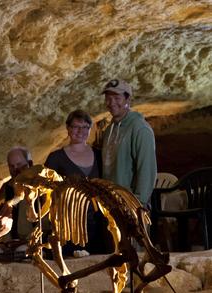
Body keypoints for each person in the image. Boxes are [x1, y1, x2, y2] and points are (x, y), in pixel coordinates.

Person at [45, 109, 110, 256]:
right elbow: (47, 191)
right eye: (75, 126)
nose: (80, 131)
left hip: (98, 223)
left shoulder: (100, 155)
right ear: (68, 128)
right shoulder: (56, 158)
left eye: (85, 127)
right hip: (70, 225)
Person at [101, 79, 157, 207]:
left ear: (128, 99)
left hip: (131, 205)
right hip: (111, 202)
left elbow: (146, 169)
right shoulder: (110, 129)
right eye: (108, 98)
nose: (111, 103)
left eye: (117, 98)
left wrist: (138, 203)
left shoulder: (140, 129)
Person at [0, 147, 34, 260]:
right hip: (10, 243)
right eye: (12, 166)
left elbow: (45, 223)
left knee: (22, 252)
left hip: (32, 242)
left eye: (20, 164)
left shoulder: (40, 188)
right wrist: (5, 242)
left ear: (29, 163)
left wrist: (29, 240)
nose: (16, 169)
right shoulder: (6, 189)